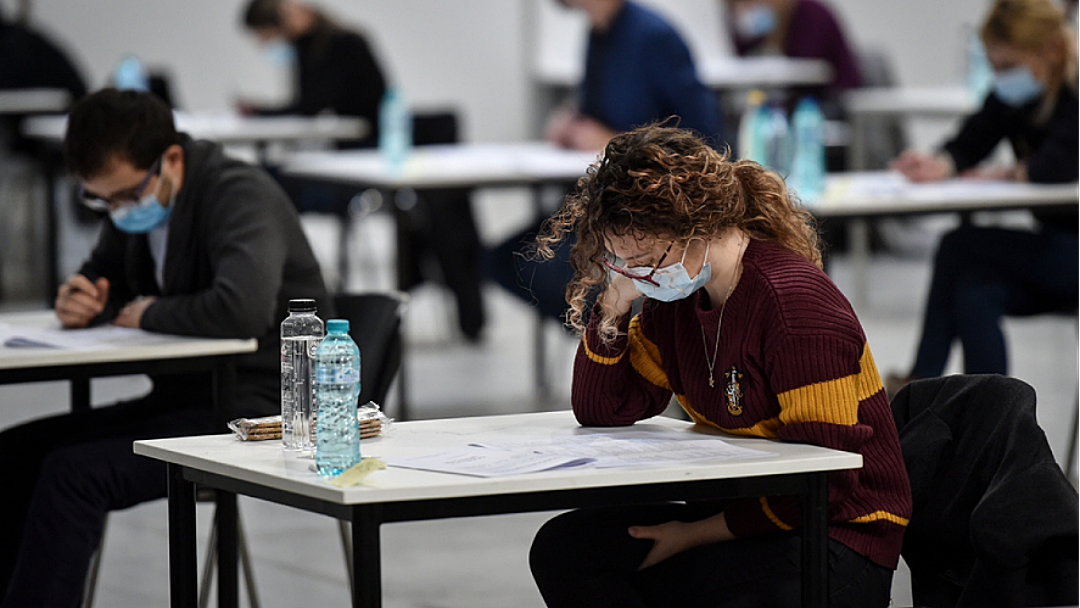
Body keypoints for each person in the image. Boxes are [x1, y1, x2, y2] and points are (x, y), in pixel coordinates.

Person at [526, 125, 911, 607]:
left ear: (699, 227)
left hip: (837, 540)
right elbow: (603, 407)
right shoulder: (677, 301)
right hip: (745, 515)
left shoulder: (796, 306)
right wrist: (612, 308)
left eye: (643, 260)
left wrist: (693, 535)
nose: (638, 276)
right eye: (621, 263)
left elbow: (826, 482)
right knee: (565, 549)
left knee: (661, 586)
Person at [0, 88, 330, 607]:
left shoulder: (239, 194)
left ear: (171, 159)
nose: (117, 211)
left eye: (125, 196)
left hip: (259, 409)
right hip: (187, 398)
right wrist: (78, 297)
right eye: (101, 200)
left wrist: (149, 312)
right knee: (15, 453)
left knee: (72, 477)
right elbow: (103, 276)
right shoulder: (136, 206)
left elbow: (241, 309)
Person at [886, 0, 1079, 397]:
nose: (1000, 78)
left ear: (1052, 51)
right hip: (1055, 255)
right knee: (975, 289)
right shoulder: (1018, 94)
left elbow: (1054, 166)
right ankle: (989, 429)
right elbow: (972, 138)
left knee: (959, 244)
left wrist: (1006, 172)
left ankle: (919, 388)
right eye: (993, 66)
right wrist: (939, 163)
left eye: (1008, 67)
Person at [491, 0, 724, 323]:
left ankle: (622, 337)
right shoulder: (598, 33)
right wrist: (572, 122)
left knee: (535, 265)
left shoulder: (652, 37)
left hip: (643, 211)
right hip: (599, 199)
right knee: (502, 260)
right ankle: (607, 339)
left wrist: (617, 141)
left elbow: (705, 137)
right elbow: (597, 110)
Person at [239, 0, 386, 149]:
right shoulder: (307, 48)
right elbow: (304, 103)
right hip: (346, 139)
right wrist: (261, 111)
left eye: (266, 36)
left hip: (369, 140)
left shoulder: (345, 44)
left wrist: (263, 112)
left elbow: (311, 106)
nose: (264, 44)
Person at [723, 0, 862, 111]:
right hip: (783, 107)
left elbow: (806, 75)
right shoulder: (755, 30)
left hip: (828, 104)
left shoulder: (813, 16)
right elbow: (743, 62)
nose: (750, 6)